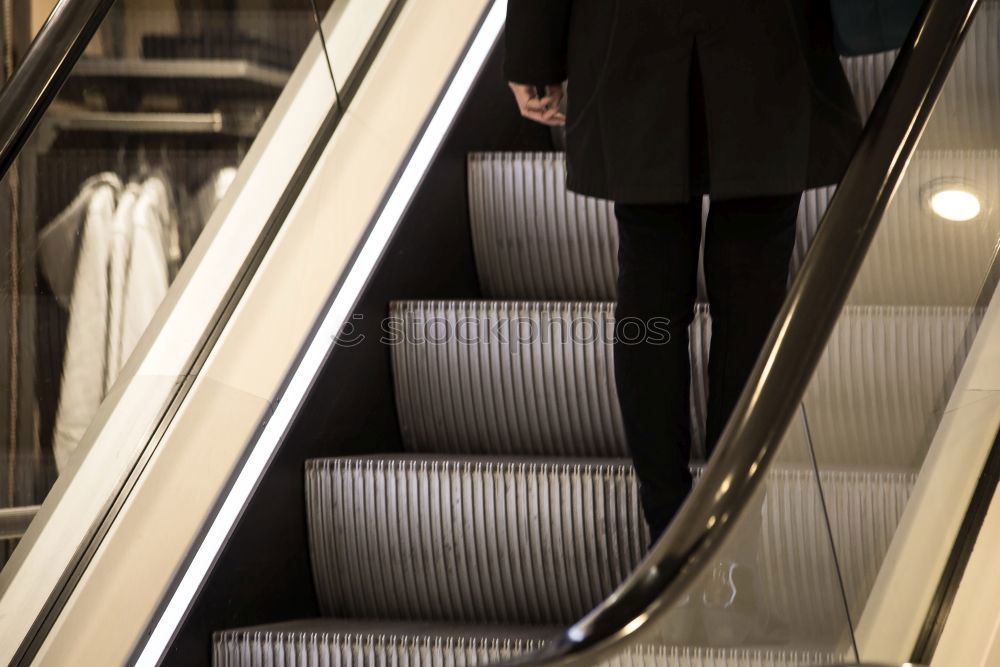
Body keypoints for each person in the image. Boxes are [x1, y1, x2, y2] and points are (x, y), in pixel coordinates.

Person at [504, 1, 863, 544]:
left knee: (649, 282)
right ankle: (734, 529)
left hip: (629, 33)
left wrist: (534, 50)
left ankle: (667, 530)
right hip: (768, 34)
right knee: (752, 293)